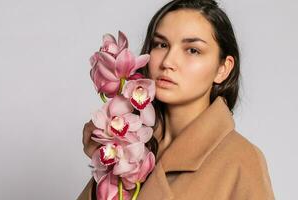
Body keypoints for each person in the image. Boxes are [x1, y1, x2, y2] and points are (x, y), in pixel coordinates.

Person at [78, 0, 275, 199]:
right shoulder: (131, 146)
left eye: (192, 50)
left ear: (223, 69)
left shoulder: (240, 161)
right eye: (161, 45)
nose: (168, 62)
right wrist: (104, 168)